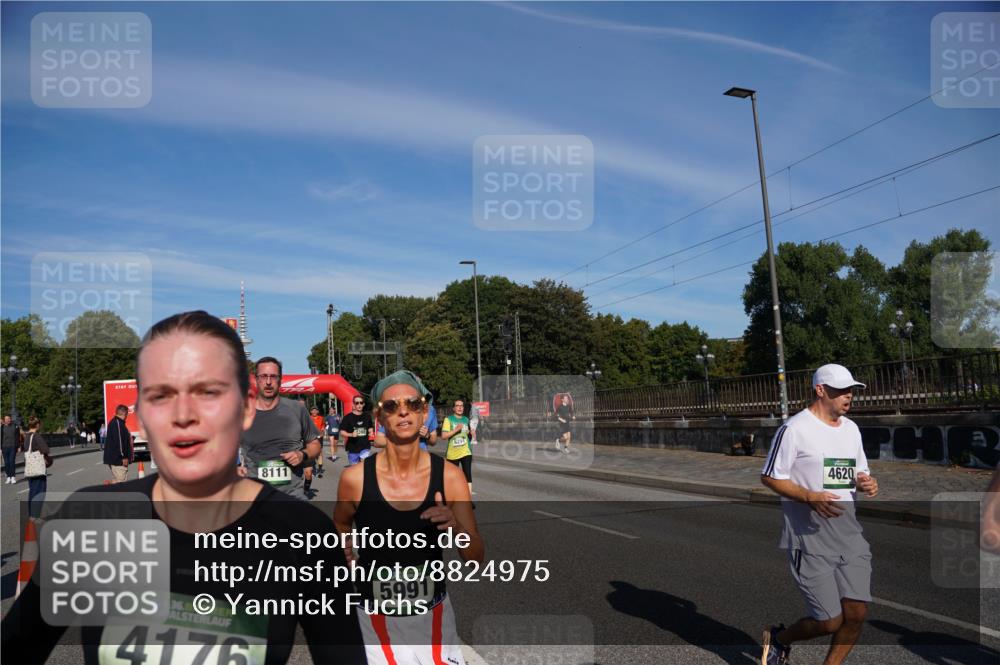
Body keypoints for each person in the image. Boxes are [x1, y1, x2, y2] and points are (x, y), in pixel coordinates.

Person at [0, 310, 366, 664]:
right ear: (142, 416)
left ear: (246, 409)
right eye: (161, 395)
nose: (183, 414)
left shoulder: (304, 533)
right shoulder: (90, 520)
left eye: (208, 392)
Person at [335, 370, 483, 665]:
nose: (403, 411)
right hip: (374, 621)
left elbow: (476, 558)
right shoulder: (354, 479)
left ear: (424, 412)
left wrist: (456, 527)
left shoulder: (450, 477)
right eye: (391, 406)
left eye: (412, 404)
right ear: (379, 417)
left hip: (434, 620)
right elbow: (340, 525)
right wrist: (343, 549)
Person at [759, 364, 879, 665]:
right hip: (809, 539)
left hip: (849, 536)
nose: (848, 396)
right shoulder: (794, 429)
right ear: (821, 390)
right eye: (841, 390)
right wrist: (808, 496)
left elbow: (855, 472)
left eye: (851, 390)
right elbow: (770, 477)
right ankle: (780, 639)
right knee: (828, 621)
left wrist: (865, 482)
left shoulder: (851, 429)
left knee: (856, 614)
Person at [240, 357, 321, 500]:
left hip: (292, 496)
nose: (268, 382)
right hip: (253, 496)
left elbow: (315, 444)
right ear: (256, 380)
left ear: (280, 380)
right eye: (263, 376)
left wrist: (302, 455)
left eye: (273, 376)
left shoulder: (297, 409)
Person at [442, 399, 473, 495]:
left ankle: (468, 498)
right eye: (457, 406)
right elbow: (444, 436)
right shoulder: (448, 419)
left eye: (461, 406)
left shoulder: (466, 419)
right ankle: (453, 497)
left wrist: (471, 433)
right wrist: (456, 430)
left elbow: (468, 436)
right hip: (453, 453)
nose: (460, 407)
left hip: (466, 451)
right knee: (453, 477)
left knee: (467, 475)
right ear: (453, 408)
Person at [22, 416, 50, 519]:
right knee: (40, 491)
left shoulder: (27, 436)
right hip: (38, 468)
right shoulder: (36, 436)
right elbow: (45, 449)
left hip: (30, 468)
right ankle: (35, 515)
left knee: (32, 491)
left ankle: (31, 514)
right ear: (37, 425)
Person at [339, 395, 373, 466]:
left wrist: (371, 431)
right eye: (357, 403)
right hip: (353, 447)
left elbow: (370, 427)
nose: (359, 405)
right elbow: (342, 432)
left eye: (361, 403)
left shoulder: (367, 416)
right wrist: (351, 434)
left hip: (365, 446)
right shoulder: (347, 418)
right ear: (354, 404)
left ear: (363, 404)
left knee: (364, 465)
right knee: (354, 468)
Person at [103, 404, 132, 483]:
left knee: (119, 481)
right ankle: (108, 487)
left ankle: (109, 485)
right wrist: (123, 456)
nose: (127, 416)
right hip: (118, 459)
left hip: (116, 458)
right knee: (121, 482)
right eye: (127, 414)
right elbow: (119, 441)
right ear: (124, 413)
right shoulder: (117, 423)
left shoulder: (117, 423)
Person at [1, 414, 21, 484]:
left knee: (11, 461)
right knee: (6, 463)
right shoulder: (2, 427)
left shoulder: (15, 426)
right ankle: (8, 477)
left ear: (11, 419)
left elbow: (18, 437)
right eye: (6, 419)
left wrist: (19, 446)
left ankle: (13, 477)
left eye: (9, 418)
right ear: (4, 420)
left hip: (13, 446)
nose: (7, 420)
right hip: (4, 447)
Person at [310, 406, 326, 479]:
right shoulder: (308, 418)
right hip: (311, 438)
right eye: (312, 410)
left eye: (315, 410)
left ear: (318, 411)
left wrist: (322, 433)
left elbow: (323, 427)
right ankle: (313, 468)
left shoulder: (321, 418)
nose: (314, 411)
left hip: (319, 438)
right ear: (311, 412)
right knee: (312, 454)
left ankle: (319, 469)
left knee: (319, 453)